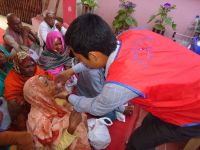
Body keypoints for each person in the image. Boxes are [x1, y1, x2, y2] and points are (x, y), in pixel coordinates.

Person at [55, 14, 200, 150]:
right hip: (190, 78)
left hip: (192, 111)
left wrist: (68, 97)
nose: (80, 62)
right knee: (149, 124)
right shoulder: (130, 35)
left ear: (93, 56)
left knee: (137, 143)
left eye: (80, 59)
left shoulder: (118, 85)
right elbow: (96, 61)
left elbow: (96, 107)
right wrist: (71, 71)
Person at [23, 75, 91, 150]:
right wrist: (71, 128)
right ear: (39, 93)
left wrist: (68, 99)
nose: (53, 82)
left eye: (48, 80)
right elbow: (51, 148)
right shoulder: (39, 122)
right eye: (47, 84)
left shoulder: (48, 101)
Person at [4, 51, 47, 130]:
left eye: (33, 65)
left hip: (38, 102)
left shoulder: (38, 71)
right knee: (23, 125)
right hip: (22, 107)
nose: (31, 69)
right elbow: (12, 102)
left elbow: (47, 82)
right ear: (18, 67)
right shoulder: (11, 80)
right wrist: (26, 98)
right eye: (27, 67)